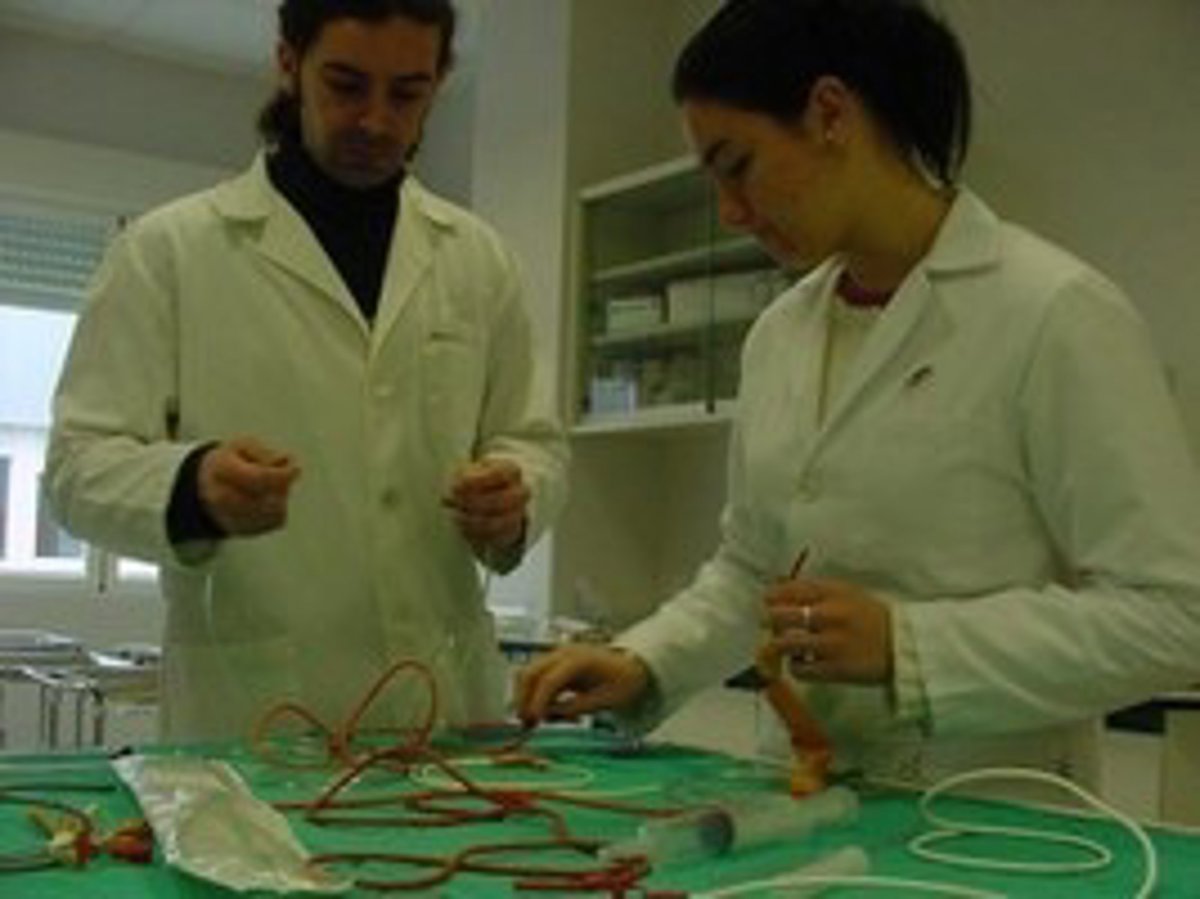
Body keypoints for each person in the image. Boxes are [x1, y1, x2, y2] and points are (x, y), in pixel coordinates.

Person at [517, 0, 1200, 787]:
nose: (730, 213)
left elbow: (1173, 614)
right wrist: (643, 660)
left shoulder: (1054, 311)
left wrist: (909, 647)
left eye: (738, 166)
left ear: (830, 114)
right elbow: (754, 572)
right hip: (809, 799)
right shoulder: (780, 333)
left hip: (989, 811)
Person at [46, 0, 567, 743]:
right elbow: (76, 468)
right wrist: (192, 487)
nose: (377, 121)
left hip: (447, 709)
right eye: (346, 85)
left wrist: (517, 495)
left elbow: (534, 440)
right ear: (289, 64)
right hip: (254, 714)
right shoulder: (169, 252)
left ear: (439, 82)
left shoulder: (478, 260)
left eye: (407, 93)